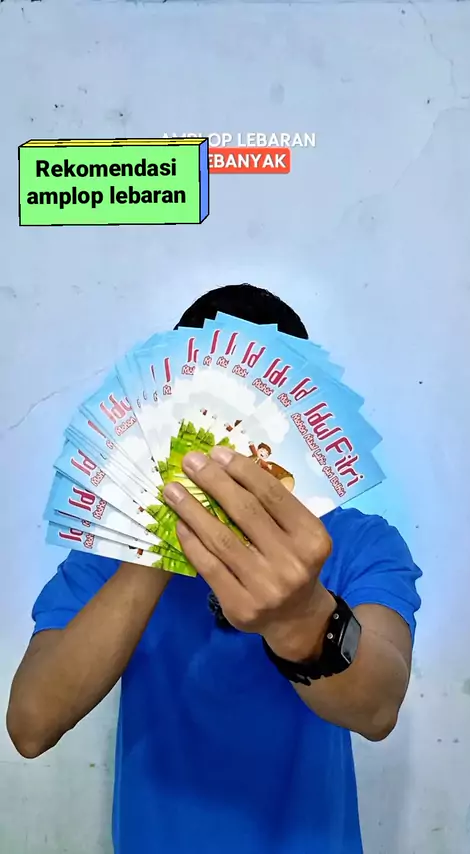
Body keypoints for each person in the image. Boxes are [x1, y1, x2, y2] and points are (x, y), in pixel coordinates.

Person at [7, 283, 422, 854]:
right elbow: (31, 724)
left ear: (298, 416)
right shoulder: (108, 551)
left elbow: (377, 708)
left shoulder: (358, 542)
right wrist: (164, 537)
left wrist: (301, 617)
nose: (236, 435)